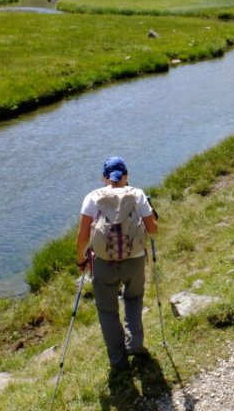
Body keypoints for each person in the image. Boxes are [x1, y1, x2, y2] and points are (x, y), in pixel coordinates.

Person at [76, 156, 158, 370]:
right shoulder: (137, 194)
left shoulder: (92, 198)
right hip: (135, 260)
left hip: (103, 263)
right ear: (126, 176)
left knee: (107, 310)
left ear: (104, 178)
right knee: (134, 298)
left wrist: (81, 259)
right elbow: (152, 230)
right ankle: (135, 343)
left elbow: (83, 236)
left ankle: (118, 360)